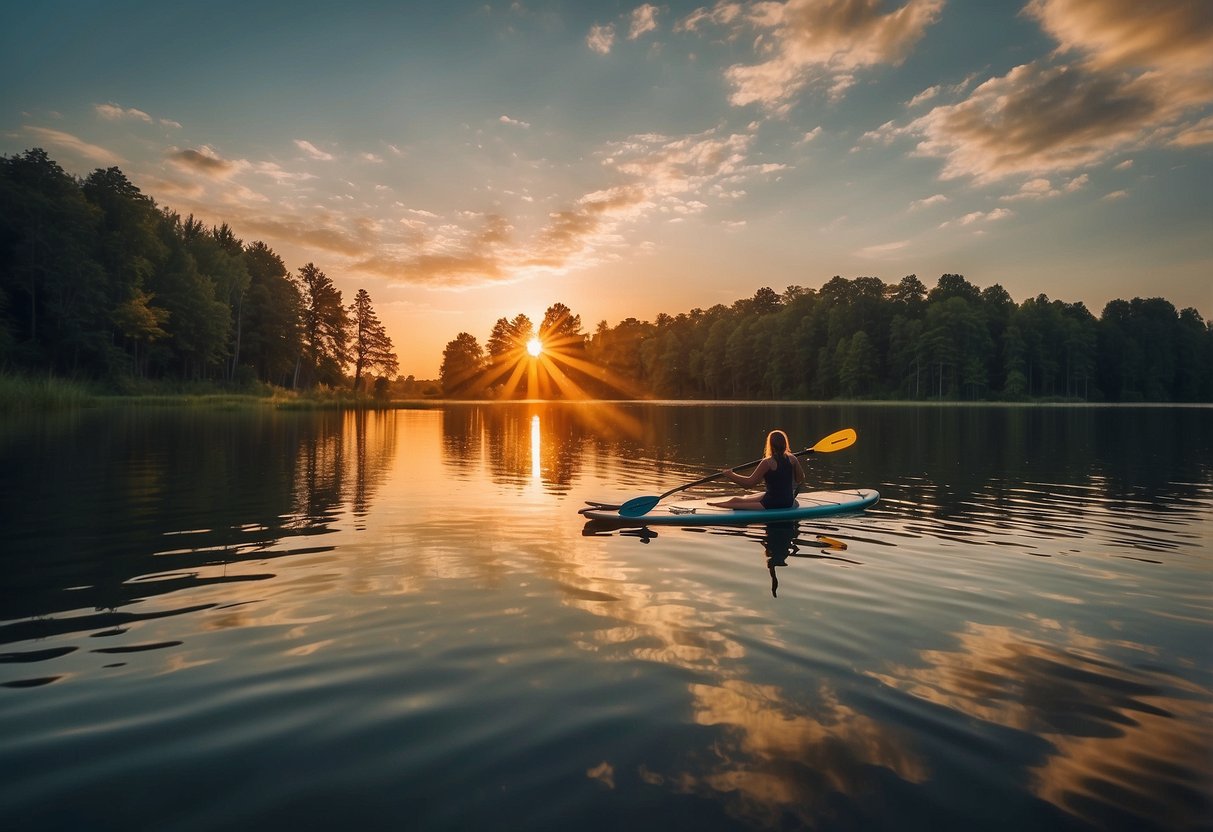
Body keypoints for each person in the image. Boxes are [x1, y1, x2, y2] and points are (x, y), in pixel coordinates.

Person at [708, 429, 805, 511]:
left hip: (772, 503)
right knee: (735, 499)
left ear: (770, 445)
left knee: (735, 506)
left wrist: (730, 475)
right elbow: (800, 479)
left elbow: (749, 484)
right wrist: (796, 465)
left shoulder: (767, 462)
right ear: (785, 444)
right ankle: (716, 504)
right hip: (788, 501)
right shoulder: (792, 459)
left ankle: (715, 506)